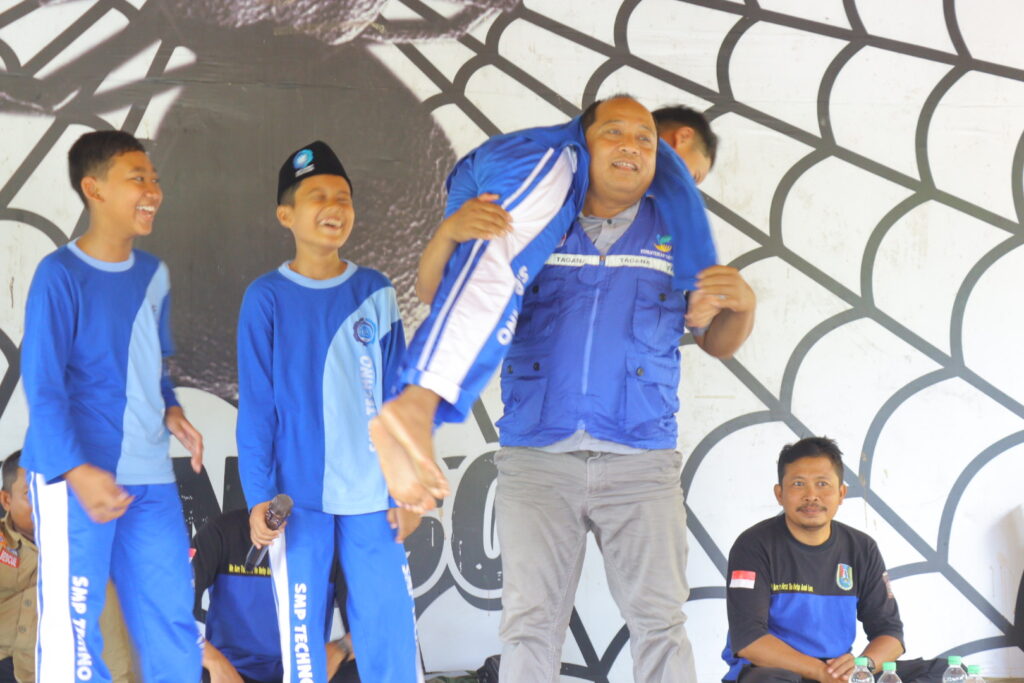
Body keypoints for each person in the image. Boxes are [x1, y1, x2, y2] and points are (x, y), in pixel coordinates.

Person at [417, 97, 754, 682]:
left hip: (641, 461)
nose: (631, 147)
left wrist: (742, 305)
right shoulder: (535, 214)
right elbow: (438, 296)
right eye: (613, 133)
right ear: (580, 144)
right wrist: (449, 231)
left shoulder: (680, 231)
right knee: (530, 625)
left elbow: (716, 339)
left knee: (660, 624)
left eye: (644, 139)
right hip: (537, 459)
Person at [373, 97, 736, 513]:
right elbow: (686, 203)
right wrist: (700, 275)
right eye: (692, 174)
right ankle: (416, 406)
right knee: (498, 268)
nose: (679, 184)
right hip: (540, 448)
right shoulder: (571, 164)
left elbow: (440, 294)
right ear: (678, 140)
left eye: (642, 140)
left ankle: (417, 411)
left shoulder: (615, 206)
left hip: (483, 173)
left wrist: (705, 286)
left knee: (489, 276)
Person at [19, 130, 204, 682]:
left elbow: (151, 365)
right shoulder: (59, 274)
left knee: (172, 621)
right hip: (75, 476)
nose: (153, 191)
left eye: (155, 179)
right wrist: (78, 470)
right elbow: (43, 386)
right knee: (75, 632)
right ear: (93, 188)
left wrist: (171, 408)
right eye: (137, 178)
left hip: (149, 477)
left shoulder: (154, 274)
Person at [236, 140, 422, 683]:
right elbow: (257, 410)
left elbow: (401, 401)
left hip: (374, 497)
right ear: (286, 215)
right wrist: (259, 497)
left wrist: (408, 488)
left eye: (343, 196)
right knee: (303, 645)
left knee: (388, 634)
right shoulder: (265, 297)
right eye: (317, 196)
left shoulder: (375, 290)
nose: (334, 206)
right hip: (298, 502)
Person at [722, 437, 936, 682]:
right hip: (775, 671)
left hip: (839, 673)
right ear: (780, 494)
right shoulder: (753, 545)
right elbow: (749, 640)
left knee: (945, 672)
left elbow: (890, 633)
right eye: (798, 484)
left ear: (841, 493)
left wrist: (862, 666)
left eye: (822, 484)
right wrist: (821, 673)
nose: (811, 496)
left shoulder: (862, 548)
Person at [0, 451, 137, 683]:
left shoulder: (92, 550)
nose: (45, 503)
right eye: (31, 493)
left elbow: (113, 642)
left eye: (53, 493)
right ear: (6, 500)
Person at [191, 508, 362, 683]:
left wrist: (341, 648)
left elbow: (370, 626)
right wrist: (215, 662)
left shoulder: (332, 538)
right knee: (187, 663)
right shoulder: (221, 531)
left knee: (361, 667)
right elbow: (174, 611)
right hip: (233, 670)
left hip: (304, 669)